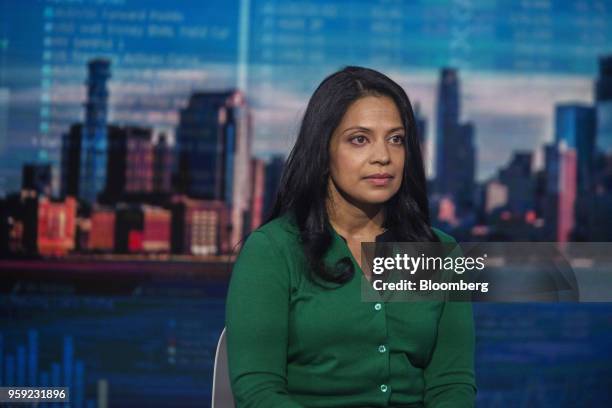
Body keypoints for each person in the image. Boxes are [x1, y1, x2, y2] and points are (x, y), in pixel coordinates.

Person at [225, 66, 476, 407]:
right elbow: (258, 391)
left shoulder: (442, 254)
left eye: (396, 139)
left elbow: (452, 385)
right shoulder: (272, 251)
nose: (383, 156)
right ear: (323, 150)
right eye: (360, 139)